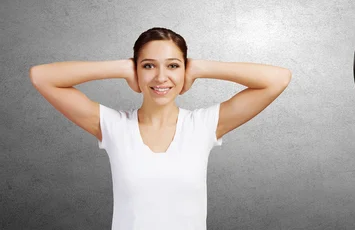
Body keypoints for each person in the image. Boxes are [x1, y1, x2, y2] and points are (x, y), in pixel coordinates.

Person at [29, 27, 292, 230]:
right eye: (148, 66)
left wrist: (200, 67)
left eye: (173, 66)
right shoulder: (114, 126)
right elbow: (42, 77)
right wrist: (121, 67)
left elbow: (278, 79)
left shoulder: (202, 126)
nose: (160, 77)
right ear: (137, 70)